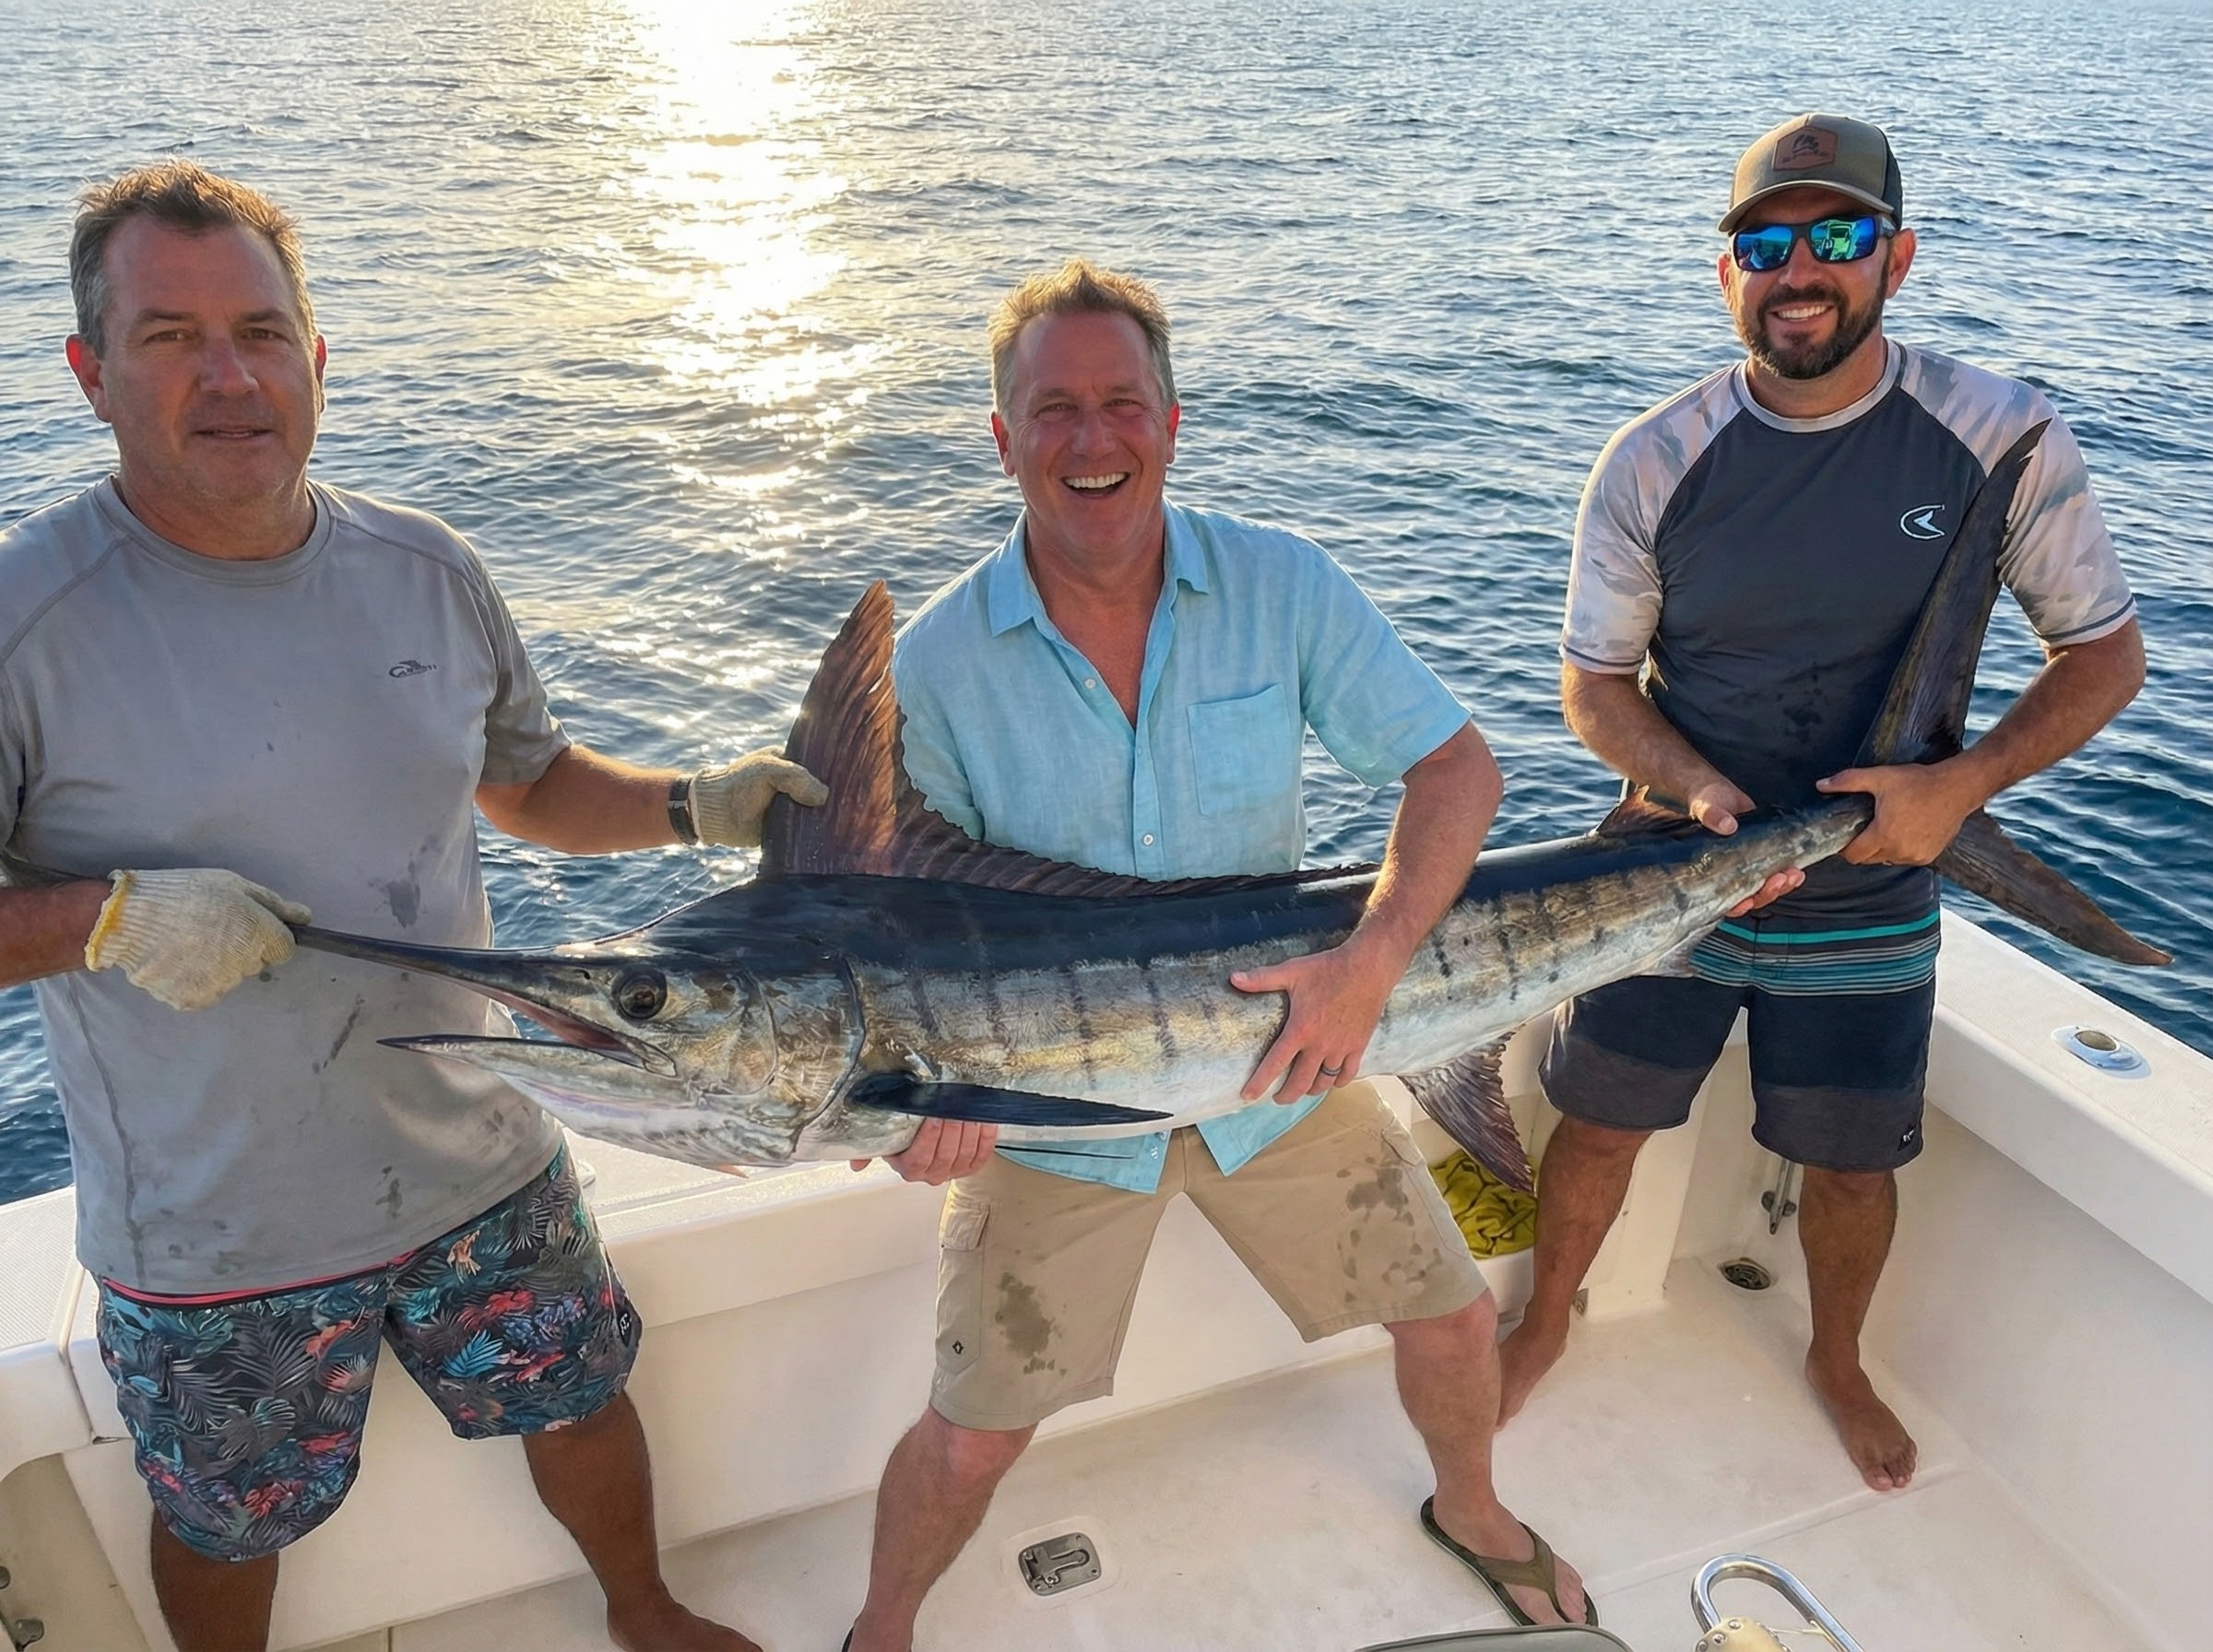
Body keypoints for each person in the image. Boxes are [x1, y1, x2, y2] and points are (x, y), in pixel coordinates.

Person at [0, 160, 825, 1652]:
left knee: (580, 1400)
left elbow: (529, 782)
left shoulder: (427, 568)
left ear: (317, 355)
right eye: (170, 337)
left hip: (483, 1144)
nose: (230, 375)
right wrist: (101, 920)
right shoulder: (25, 620)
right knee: (226, 1519)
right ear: (89, 373)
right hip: (213, 1228)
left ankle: (644, 1613)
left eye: (259, 329)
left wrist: (694, 804)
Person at [839, 259, 1593, 1649]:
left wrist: (1371, 963)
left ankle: (1472, 1510)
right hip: (1059, 1127)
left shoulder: (1279, 583)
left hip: (1286, 1069)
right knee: (968, 1439)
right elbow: (899, 932)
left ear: (1173, 421)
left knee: (1450, 1323)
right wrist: (907, 1112)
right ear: (1001, 438)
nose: (1091, 439)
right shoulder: (937, 664)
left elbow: (1455, 771)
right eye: (1051, 409)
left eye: (1122, 401)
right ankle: (882, 1625)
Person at [1495, 114, 2146, 1493]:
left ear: (1896, 259)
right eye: (1765, 242)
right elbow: (1595, 690)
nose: (1801, 270)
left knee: (1853, 1167)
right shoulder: (1651, 458)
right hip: (1672, 867)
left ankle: (1836, 1359)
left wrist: (1960, 787)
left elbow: (2106, 656)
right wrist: (1695, 786)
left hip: (1879, 882)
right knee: (1599, 1119)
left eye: (1839, 238)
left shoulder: (1999, 433)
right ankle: (1547, 1317)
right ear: (1722, 271)